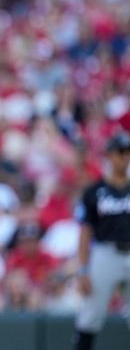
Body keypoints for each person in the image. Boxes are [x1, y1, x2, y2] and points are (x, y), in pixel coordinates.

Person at [73, 132, 130, 350]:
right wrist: (83, 270)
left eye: (127, 152)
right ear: (109, 156)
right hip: (105, 254)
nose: (124, 157)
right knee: (90, 315)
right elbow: (85, 232)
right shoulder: (94, 191)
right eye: (120, 152)